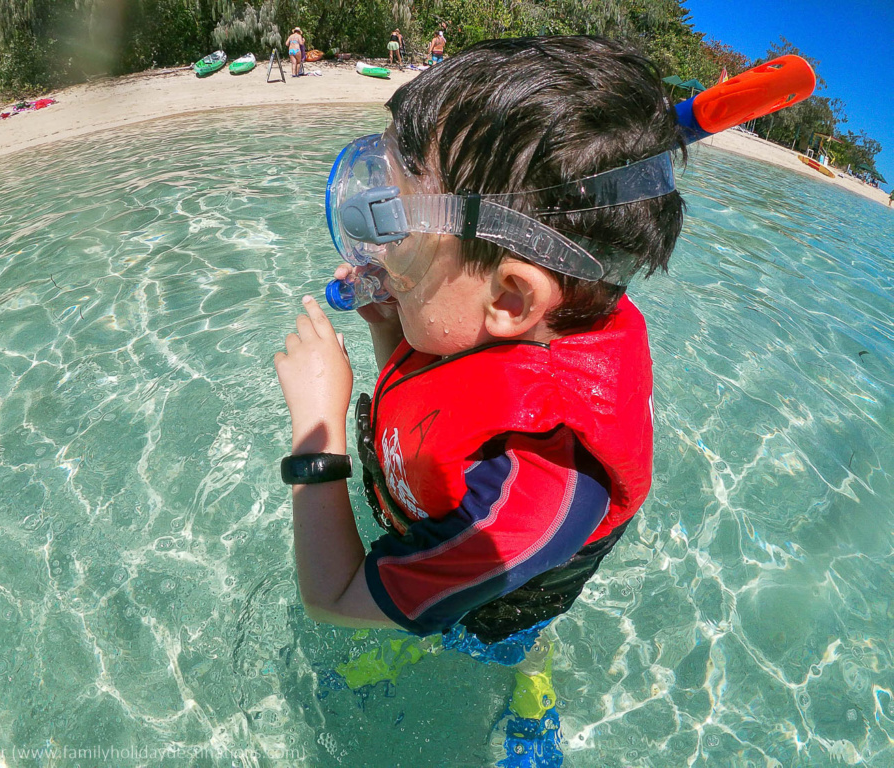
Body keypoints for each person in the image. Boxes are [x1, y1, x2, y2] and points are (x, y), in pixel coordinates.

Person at [274, 36, 684, 766]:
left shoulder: (535, 496)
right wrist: (389, 323)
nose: (374, 244)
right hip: (446, 514)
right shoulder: (483, 327)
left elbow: (331, 597)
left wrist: (316, 432)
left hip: (511, 588)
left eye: (398, 228)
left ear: (510, 296)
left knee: (503, 635)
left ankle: (531, 683)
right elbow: (432, 399)